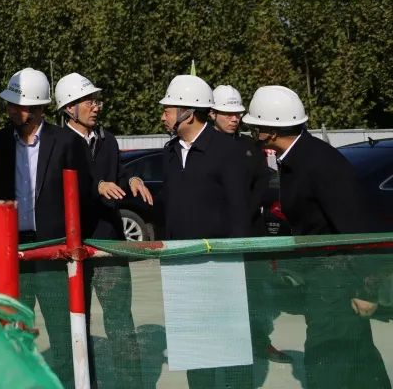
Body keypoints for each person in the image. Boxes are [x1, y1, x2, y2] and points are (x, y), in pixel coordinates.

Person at [244, 85, 390, 388]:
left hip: (340, 281)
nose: (254, 135)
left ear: (271, 132)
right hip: (324, 279)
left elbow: (359, 230)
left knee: (328, 360)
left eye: (257, 128)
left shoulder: (319, 163)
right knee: (356, 357)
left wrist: (368, 289)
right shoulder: (296, 159)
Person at [0, 68, 95, 389]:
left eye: (16, 105)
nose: (10, 110)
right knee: (11, 331)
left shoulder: (67, 143)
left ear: (37, 108)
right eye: (9, 104)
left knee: (62, 332)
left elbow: (84, 195)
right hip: (12, 253)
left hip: (55, 252)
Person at [56, 72, 151, 389]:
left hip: (110, 244)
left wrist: (131, 179)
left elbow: (117, 173)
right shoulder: (57, 144)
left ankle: (130, 384)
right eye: (88, 101)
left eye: (97, 101)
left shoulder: (108, 140)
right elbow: (58, 189)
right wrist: (96, 186)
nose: (96, 107)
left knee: (121, 322)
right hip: (73, 247)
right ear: (69, 108)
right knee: (76, 324)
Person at [159, 74, 252, 389]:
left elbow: (239, 212)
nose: (163, 116)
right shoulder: (170, 152)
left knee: (230, 347)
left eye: (168, 110)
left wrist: (235, 263)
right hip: (181, 269)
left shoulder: (227, 151)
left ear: (188, 113)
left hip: (221, 269)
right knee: (194, 350)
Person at [210, 83, 291, 365]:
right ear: (212, 113)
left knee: (255, 295)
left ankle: (258, 341)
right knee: (219, 297)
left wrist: (245, 212)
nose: (235, 119)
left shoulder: (250, 147)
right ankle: (224, 346)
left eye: (238, 114)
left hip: (250, 233)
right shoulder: (202, 148)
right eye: (228, 113)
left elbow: (264, 183)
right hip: (216, 236)